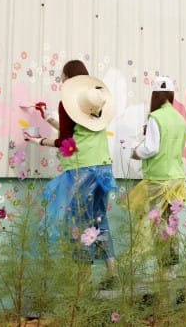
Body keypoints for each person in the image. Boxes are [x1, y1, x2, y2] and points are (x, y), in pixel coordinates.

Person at [24, 59, 118, 289]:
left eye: (62, 77)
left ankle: (82, 286)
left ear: (68, 77)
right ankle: (113, 272)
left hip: (81, 170)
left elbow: (66, 140)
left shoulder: (68, 102)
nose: (62, 82)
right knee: (98, 219)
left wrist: (39, 140)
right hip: (103, 169)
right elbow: (78, 130)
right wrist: (49, 118)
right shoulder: (95, 101)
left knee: (78, 222)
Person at [129, 76, 186, 272]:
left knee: (157, 223)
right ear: (170, 95)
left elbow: (152, 148)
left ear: (155, 95)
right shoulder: (180, 118)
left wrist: (135, 152)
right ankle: (172, 268)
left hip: (159, 179)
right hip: (177, 179)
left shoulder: (155, 117)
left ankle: (164, 267)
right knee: (171, 222)